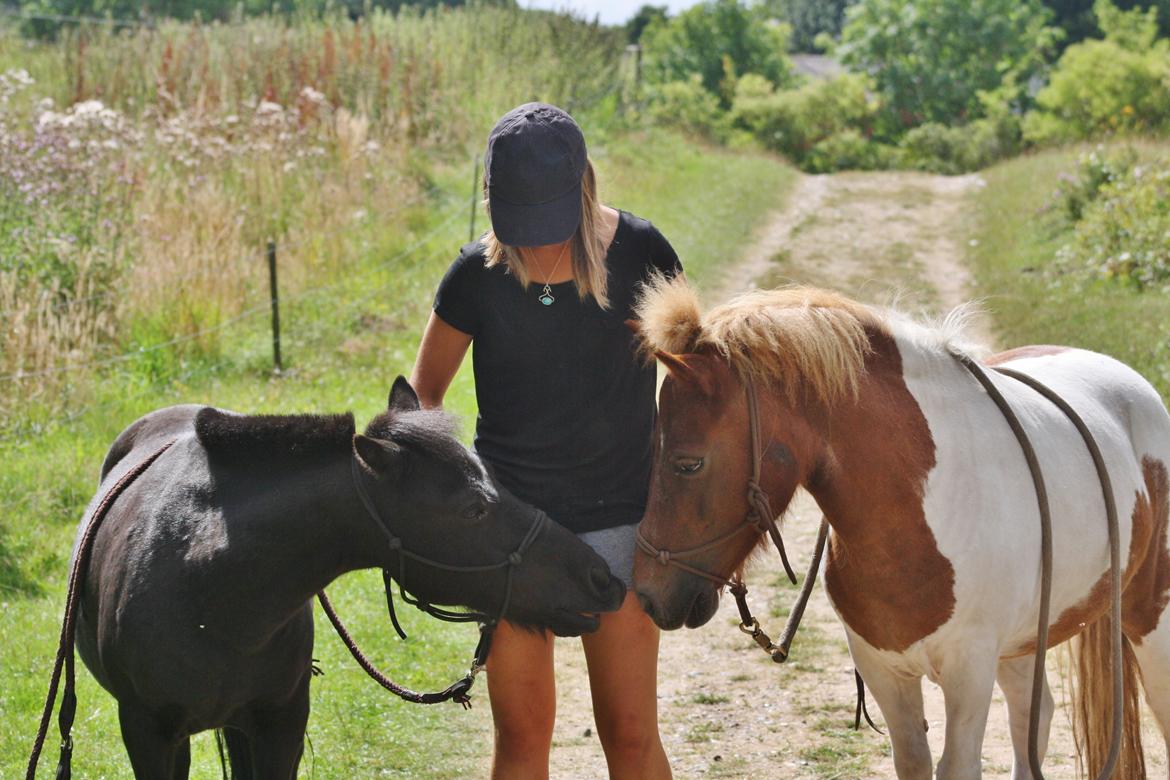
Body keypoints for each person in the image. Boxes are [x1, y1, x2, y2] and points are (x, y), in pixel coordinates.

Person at [409, 102, 678, 779]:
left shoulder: (642, 253)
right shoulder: (475, 275)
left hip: (621, 521)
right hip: (512, 534)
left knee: (631, 736)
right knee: (521, 739)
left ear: (580, 185)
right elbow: (425, 396)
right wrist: (454, 504)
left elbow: (695, 378)